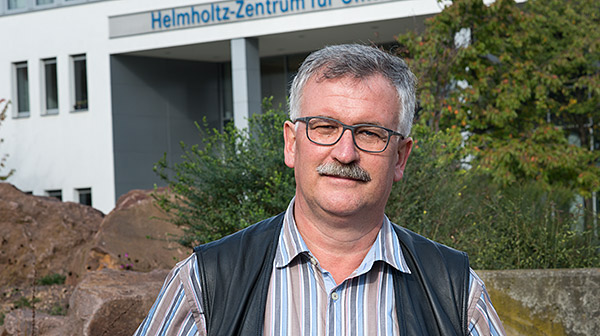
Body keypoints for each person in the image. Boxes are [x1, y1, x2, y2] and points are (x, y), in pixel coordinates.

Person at [134, 44, 505, 336]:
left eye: (370, 133)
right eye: (324, 127)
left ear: (400, 158)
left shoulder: (456, 291)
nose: (345, 153)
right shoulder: (206, 282)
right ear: (291, 144)